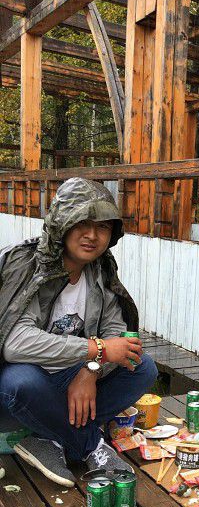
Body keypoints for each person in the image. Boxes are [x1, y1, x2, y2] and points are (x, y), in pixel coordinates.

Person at [0, 178, 158, 487]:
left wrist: (90, 370)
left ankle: (49, 439)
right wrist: (97, 349)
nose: (92, 235)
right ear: (62, 224)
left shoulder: (100, 270)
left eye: (102, 227)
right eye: (82, 223)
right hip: (18, 392)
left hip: (71, 380)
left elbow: (116, 334)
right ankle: (90, 445)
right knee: (22, 382)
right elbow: (14, 344)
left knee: (142, 366)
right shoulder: (29, 266)